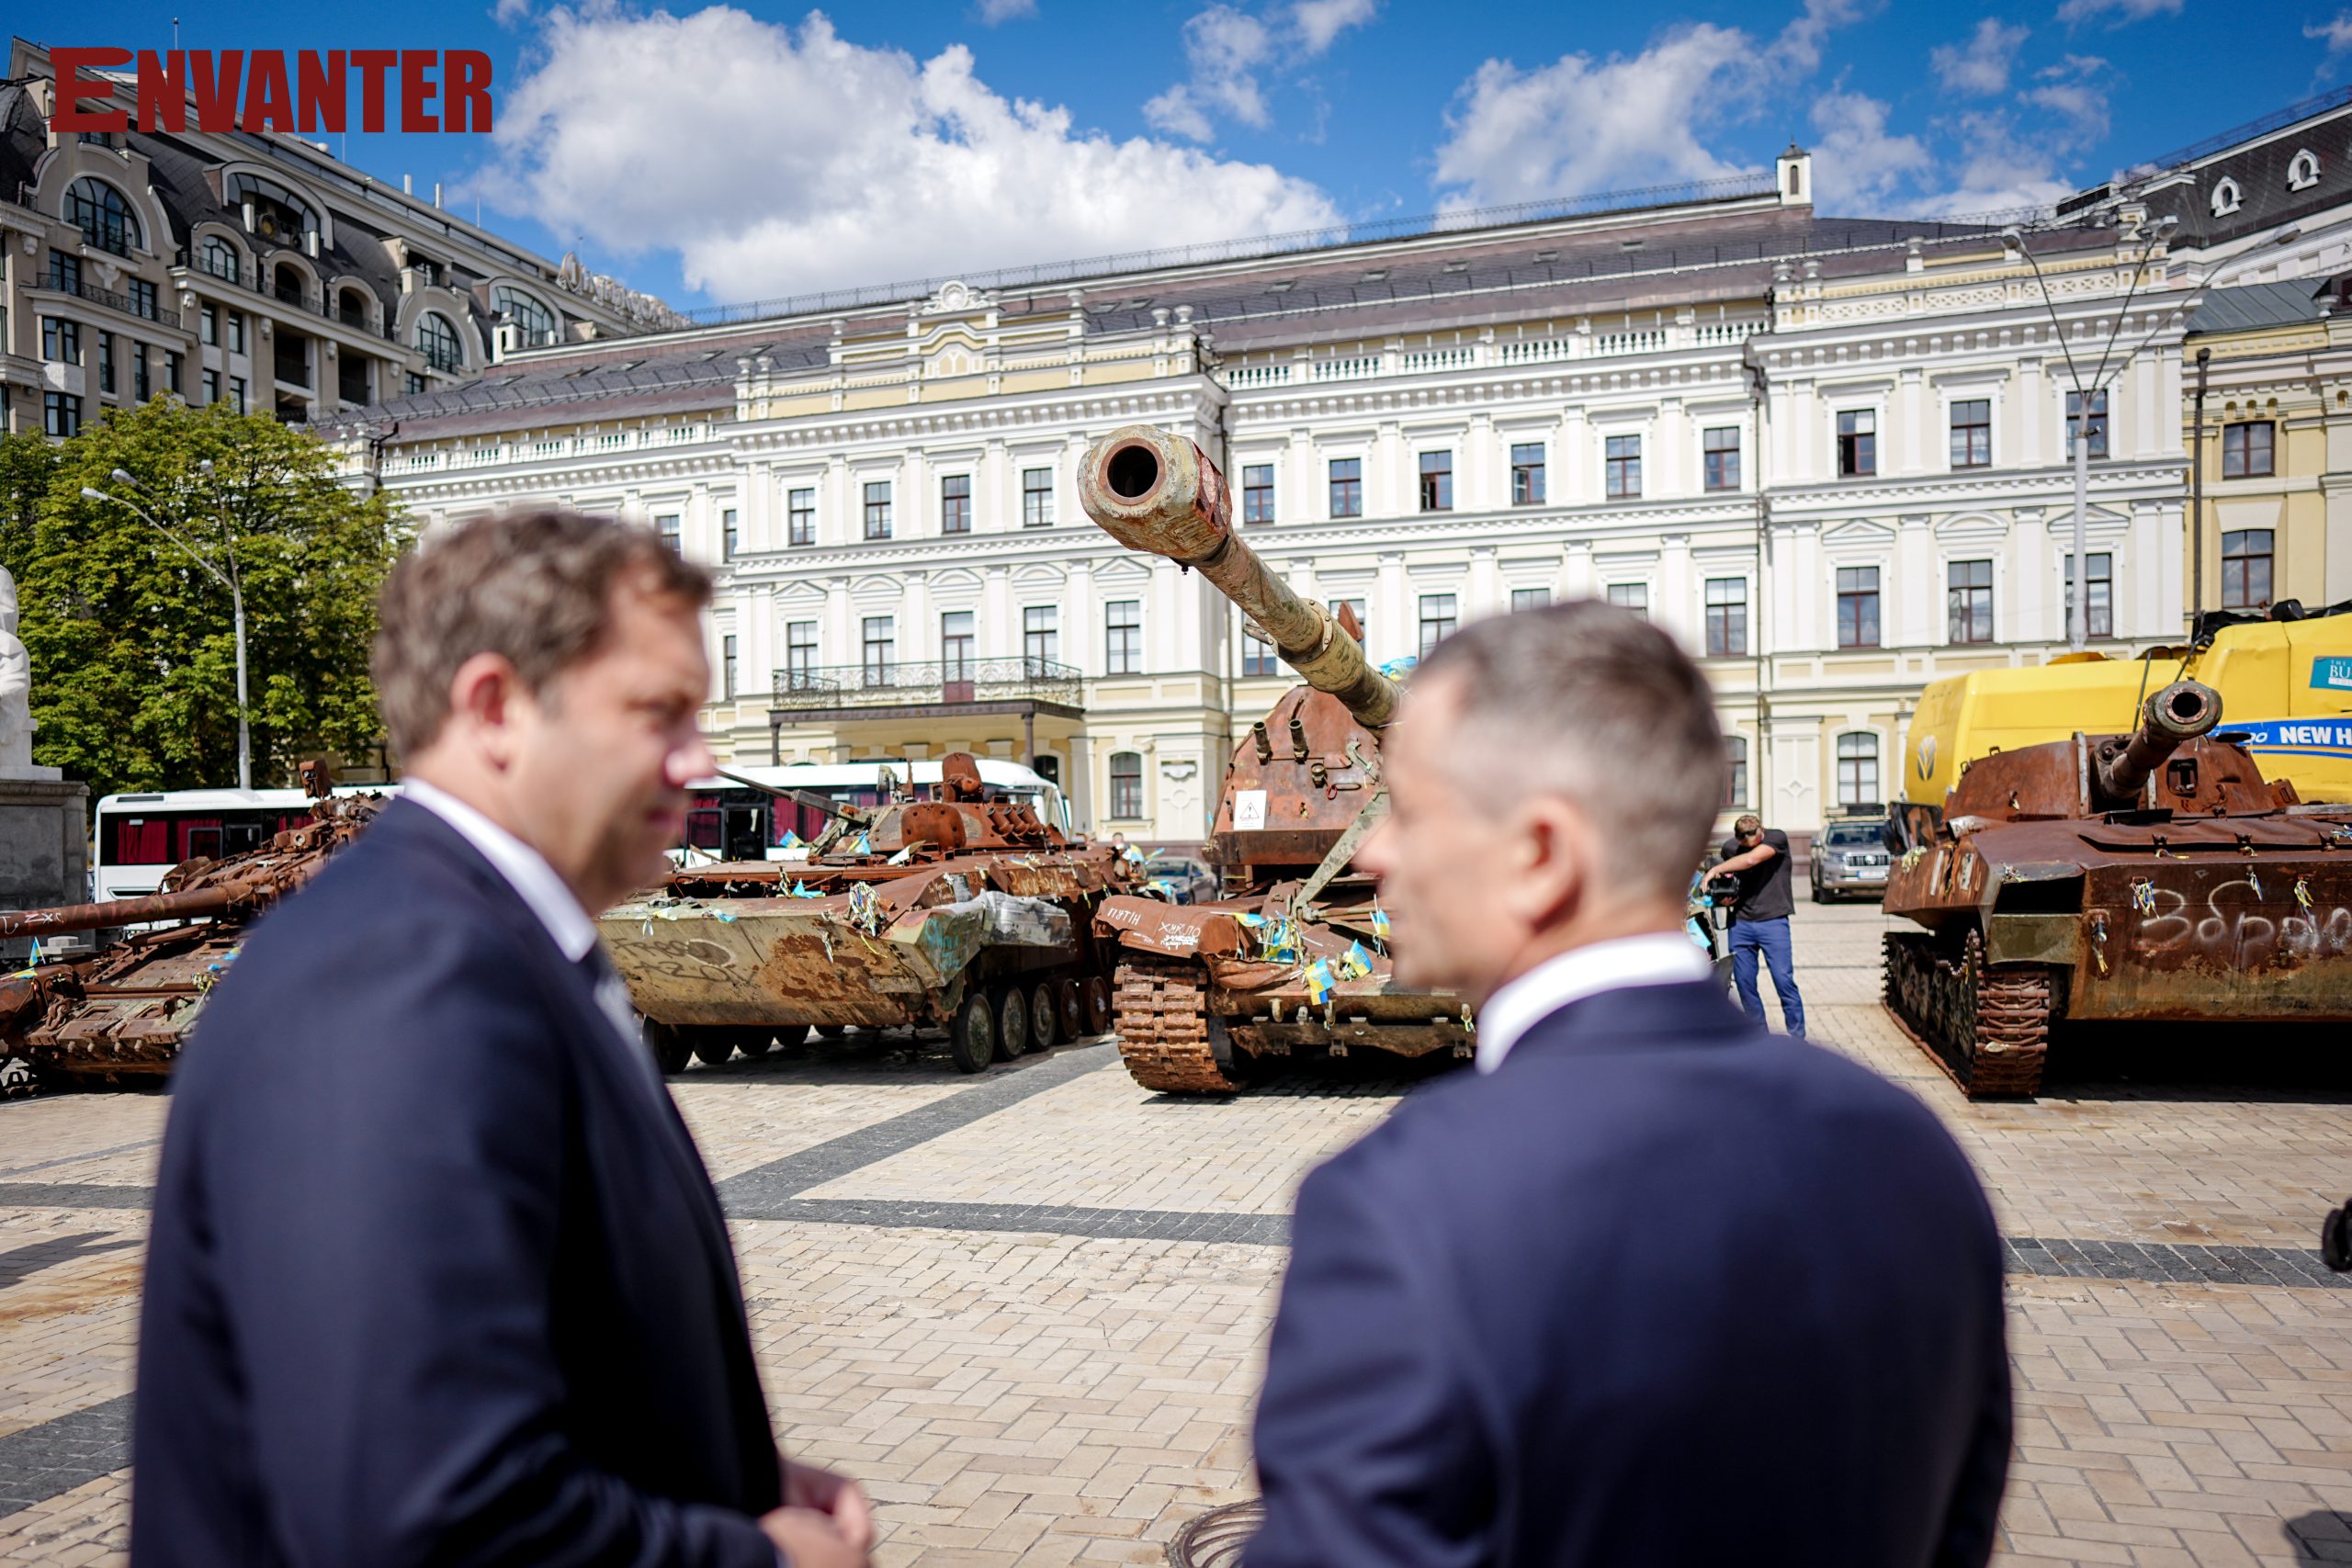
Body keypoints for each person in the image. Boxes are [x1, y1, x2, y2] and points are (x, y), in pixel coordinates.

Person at [134, 511, 875, 1568]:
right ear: (495, 707)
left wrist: (734, 1478)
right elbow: (422, 1514)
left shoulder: (486, 942)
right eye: (658, 714)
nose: (699, 761)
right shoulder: (404, 975)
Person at [1245, 601, 2009, 1568]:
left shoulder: (1405, 1207)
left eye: (1412, 809)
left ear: (1539, 853)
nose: (1377, 852)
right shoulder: (1909, 1153)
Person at [1715, 812, 1806, 1038]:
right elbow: (1731, 882)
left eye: (1752, 840)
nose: (1747, 846)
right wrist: (1724, 898)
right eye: (1742, 842)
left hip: (1774, 922)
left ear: (1761, 830)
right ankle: (1760, 1037)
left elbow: (1751, 860)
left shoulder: (1777, 839)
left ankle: (1797, 1037)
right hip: (1741, 924)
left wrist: (1714, 870)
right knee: (1745, 984)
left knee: (1783, 981)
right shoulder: (1730, 849)